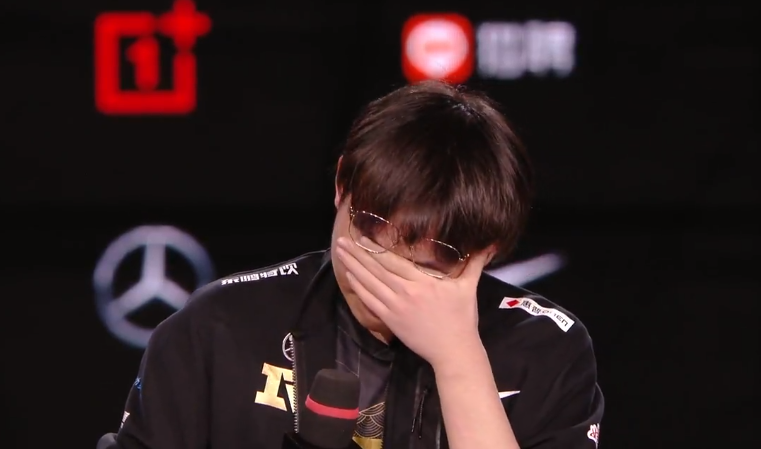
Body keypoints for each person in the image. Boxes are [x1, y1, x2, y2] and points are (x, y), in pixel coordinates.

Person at [108, 80, 604, 449]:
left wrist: (458, 358)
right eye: (368, 230)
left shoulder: (544, 350)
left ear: (486, 251)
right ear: (342, 185)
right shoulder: (219, 327)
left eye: (427, 262)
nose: (383, 274)